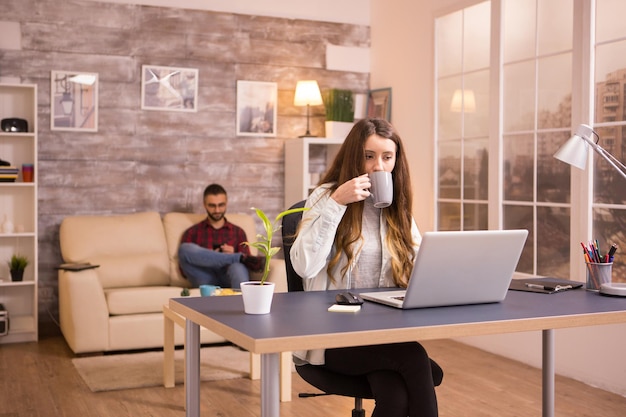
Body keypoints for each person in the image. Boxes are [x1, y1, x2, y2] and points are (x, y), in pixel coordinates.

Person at [290, 118, 440, 417]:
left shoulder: (398, 209)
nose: (378, 167)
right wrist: (337, 203)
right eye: (368, 156)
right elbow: (304, 266)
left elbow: (420, 265)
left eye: (387, 157)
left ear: (397, 161)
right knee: (414, 357)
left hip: (383, 332)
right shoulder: (324, 197)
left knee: (395, 396)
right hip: (333, 335)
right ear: (353, 156)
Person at [178, 184, 264, 289]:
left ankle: (240, 302)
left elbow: (248, 266)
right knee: (185, 249)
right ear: (204, 204)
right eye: (212, 206)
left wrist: (231, 254)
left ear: (226, 203)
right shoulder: (192, 232)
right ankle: (237, 258)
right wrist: (208, 257)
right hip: (204, 278)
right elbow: (183, 269)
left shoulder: (238, 232)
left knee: (238, 266)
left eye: (221, 205)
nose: (217, 210)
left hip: (229, 277)